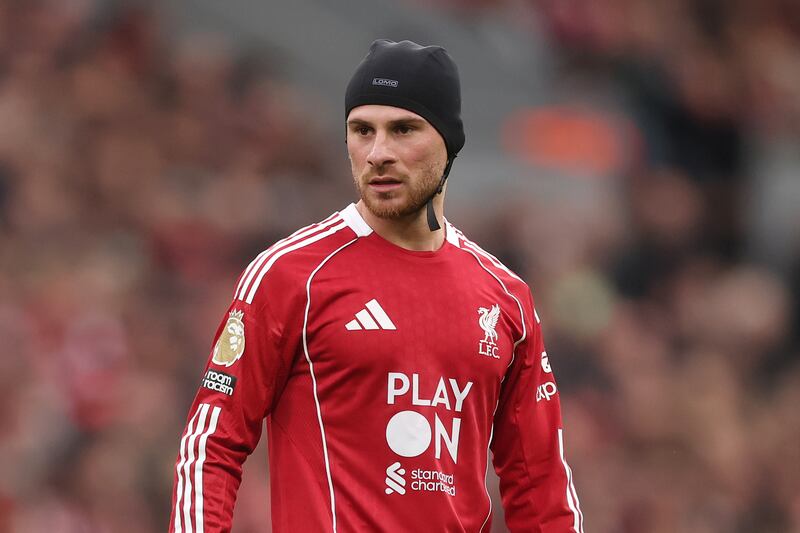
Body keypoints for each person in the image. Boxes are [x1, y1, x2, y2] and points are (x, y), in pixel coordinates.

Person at [168, 39, 584, 533]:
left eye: (403, 129)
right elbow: (211, 444)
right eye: (362, 131)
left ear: (450, 142)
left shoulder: (505, 297)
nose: (378, 153)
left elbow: (540, 484)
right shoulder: (290, 275)